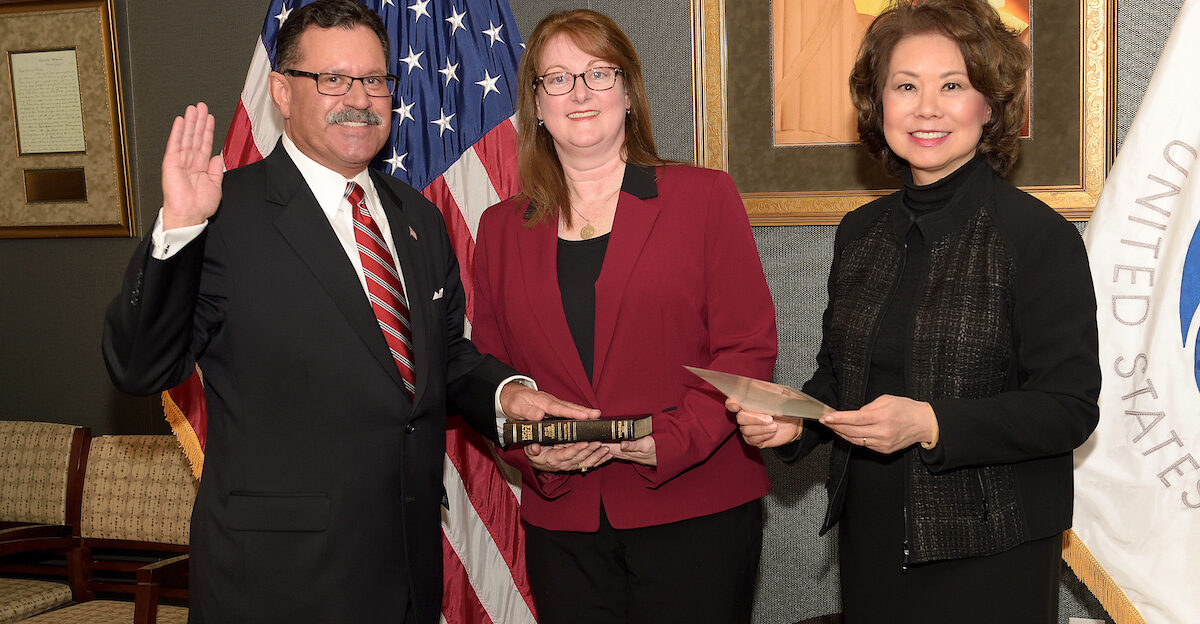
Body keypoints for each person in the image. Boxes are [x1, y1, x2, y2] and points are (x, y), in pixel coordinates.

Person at [101, 1, 596, 622]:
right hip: (280, 583)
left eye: (374, 80)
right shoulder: (224, 214)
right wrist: (178, 228)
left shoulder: (418, 218)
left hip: (408, 568)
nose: (358, 99)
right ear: (282, 91)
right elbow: (140, 367)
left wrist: (507, 397)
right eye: (333, 79)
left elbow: (442, 359)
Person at [731, 1, 1100, 622]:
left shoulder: (1039, 237)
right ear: (878, 106)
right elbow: (839, 380)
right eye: (905, 86)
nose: (927, 108)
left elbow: (1069, 409)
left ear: (990, 105)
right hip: (872, 539)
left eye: (952, 86)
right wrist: (795, 423)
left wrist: (930, 422)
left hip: (994, 550)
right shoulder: (859, 233)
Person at [468, 9, 778, 624]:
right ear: (536, 105)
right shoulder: (500, 228)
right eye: (558, 78)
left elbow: (747, 350)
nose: (579, 93)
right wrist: (533, 454)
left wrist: (665, 441)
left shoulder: (703, 197)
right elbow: (489, 372)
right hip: (565, 520)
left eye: (598, 73)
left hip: (695, 509)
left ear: (628, 93)